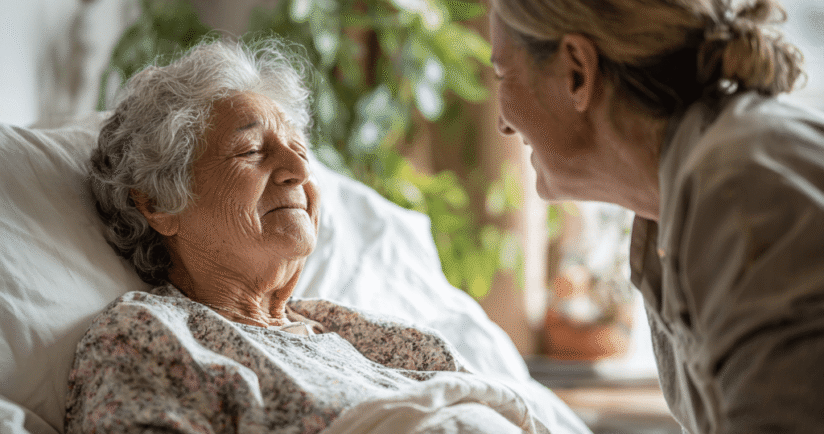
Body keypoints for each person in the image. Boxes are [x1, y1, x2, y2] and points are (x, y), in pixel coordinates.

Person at [64, 38, 553, 434]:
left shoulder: (369, 335)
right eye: (252, 151)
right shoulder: (149, 338)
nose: (299, 169)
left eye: (299, 149)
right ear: (158, 203)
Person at [489, 0, 824, 432]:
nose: (502, 124)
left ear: (576, 70)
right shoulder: (670, 212)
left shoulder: (742, 194)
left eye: (502, 74)